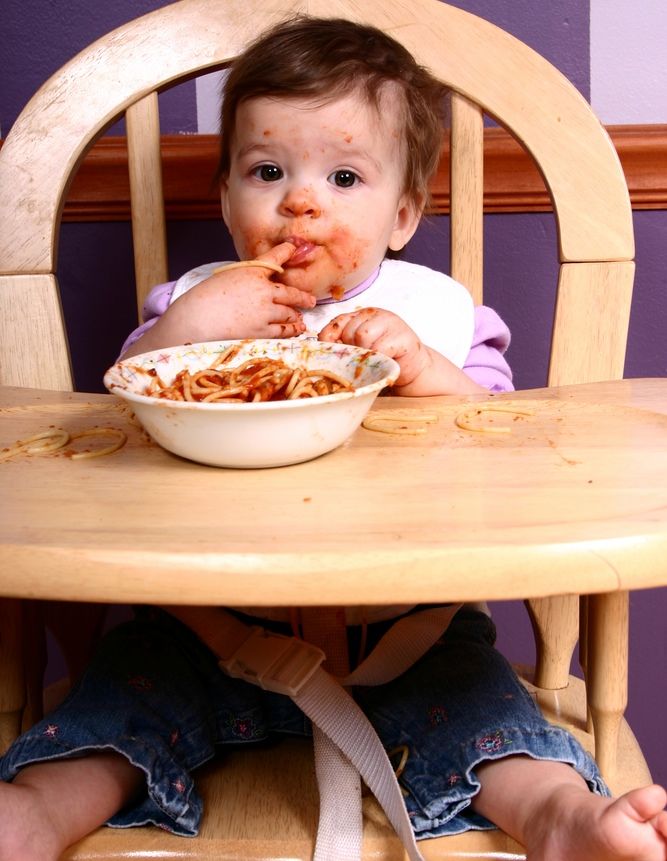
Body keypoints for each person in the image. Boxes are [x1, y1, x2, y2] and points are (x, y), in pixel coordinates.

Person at [1, 16, 666, 861]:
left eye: (344, 175)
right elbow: (119, 415)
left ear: (404, 212)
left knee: (486, 714)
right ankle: (29, 814)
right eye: (266, 170)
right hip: (207, 624)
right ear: (225, 197)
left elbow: (510, 447)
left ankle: (561, 819)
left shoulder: (435, 318)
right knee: (111, 713)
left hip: (401, 631)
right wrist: (187, 330)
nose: (300, 200)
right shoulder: (197, 304)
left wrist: (425, 369)